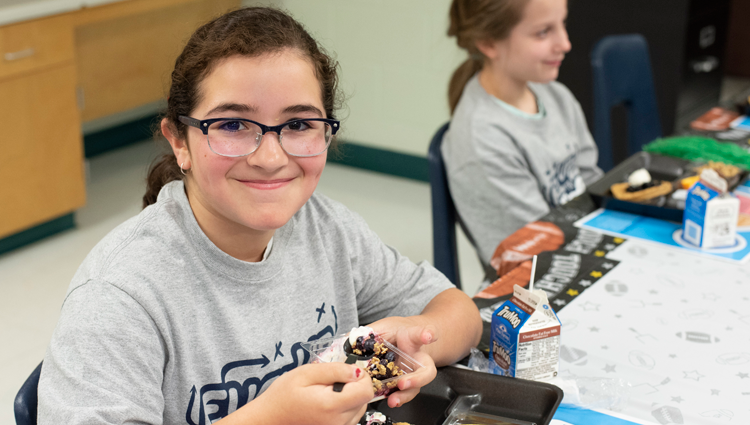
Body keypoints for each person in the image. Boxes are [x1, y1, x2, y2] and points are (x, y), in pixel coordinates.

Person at [38, 7, 482, 425]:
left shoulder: (327, 230)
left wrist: (421, 334)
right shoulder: (120, 295)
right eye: (232, 125)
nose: (270, 157)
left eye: (298, 125)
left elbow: (461, 313)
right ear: (179, 142)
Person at [442, 0, 603, 279]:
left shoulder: (557, 96)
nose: (565, 43)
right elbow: (535, 257)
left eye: (562, 24)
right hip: (541, 286)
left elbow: (593, 185)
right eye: (543, 32)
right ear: (489, 42)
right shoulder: (482, 139)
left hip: (588, 252)